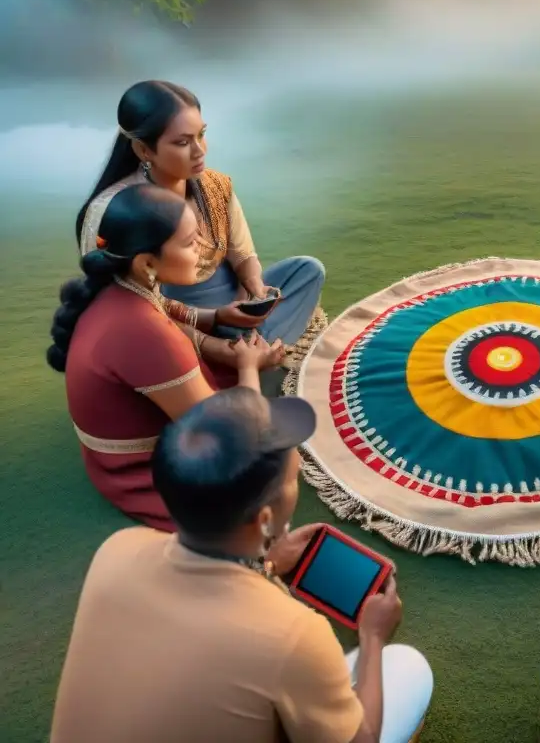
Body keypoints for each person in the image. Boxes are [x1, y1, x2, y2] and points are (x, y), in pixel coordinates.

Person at [51, 387, 434, 743]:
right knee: (409, 667)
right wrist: (372, 637)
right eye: (292, 475)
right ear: (265, 519)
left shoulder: (116, 550)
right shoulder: (294, 635)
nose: (297, 470)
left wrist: (265, 563)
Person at [47, 182, 281, 531]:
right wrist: (249, 366)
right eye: (190, 243)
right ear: (147, 262)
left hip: (127, 435)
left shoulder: (120, 283)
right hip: (141, 473)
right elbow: (224, 435)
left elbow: (166, 307)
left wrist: (216, 318)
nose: (203, 249)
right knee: (274, 465)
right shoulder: (143, 332)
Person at [76, 79, 326, 358]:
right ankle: (239, 352)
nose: (200, 150)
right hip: (173, 320)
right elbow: (131, 309)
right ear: (144, 150)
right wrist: (217, 331)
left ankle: (249, 342)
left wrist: (257, 292)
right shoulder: (119, 210)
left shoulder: (215, 186)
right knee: (152, 332)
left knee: (307, 271)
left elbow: (243, 255)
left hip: (232, 307)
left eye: (201, 135)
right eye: (183, 142)